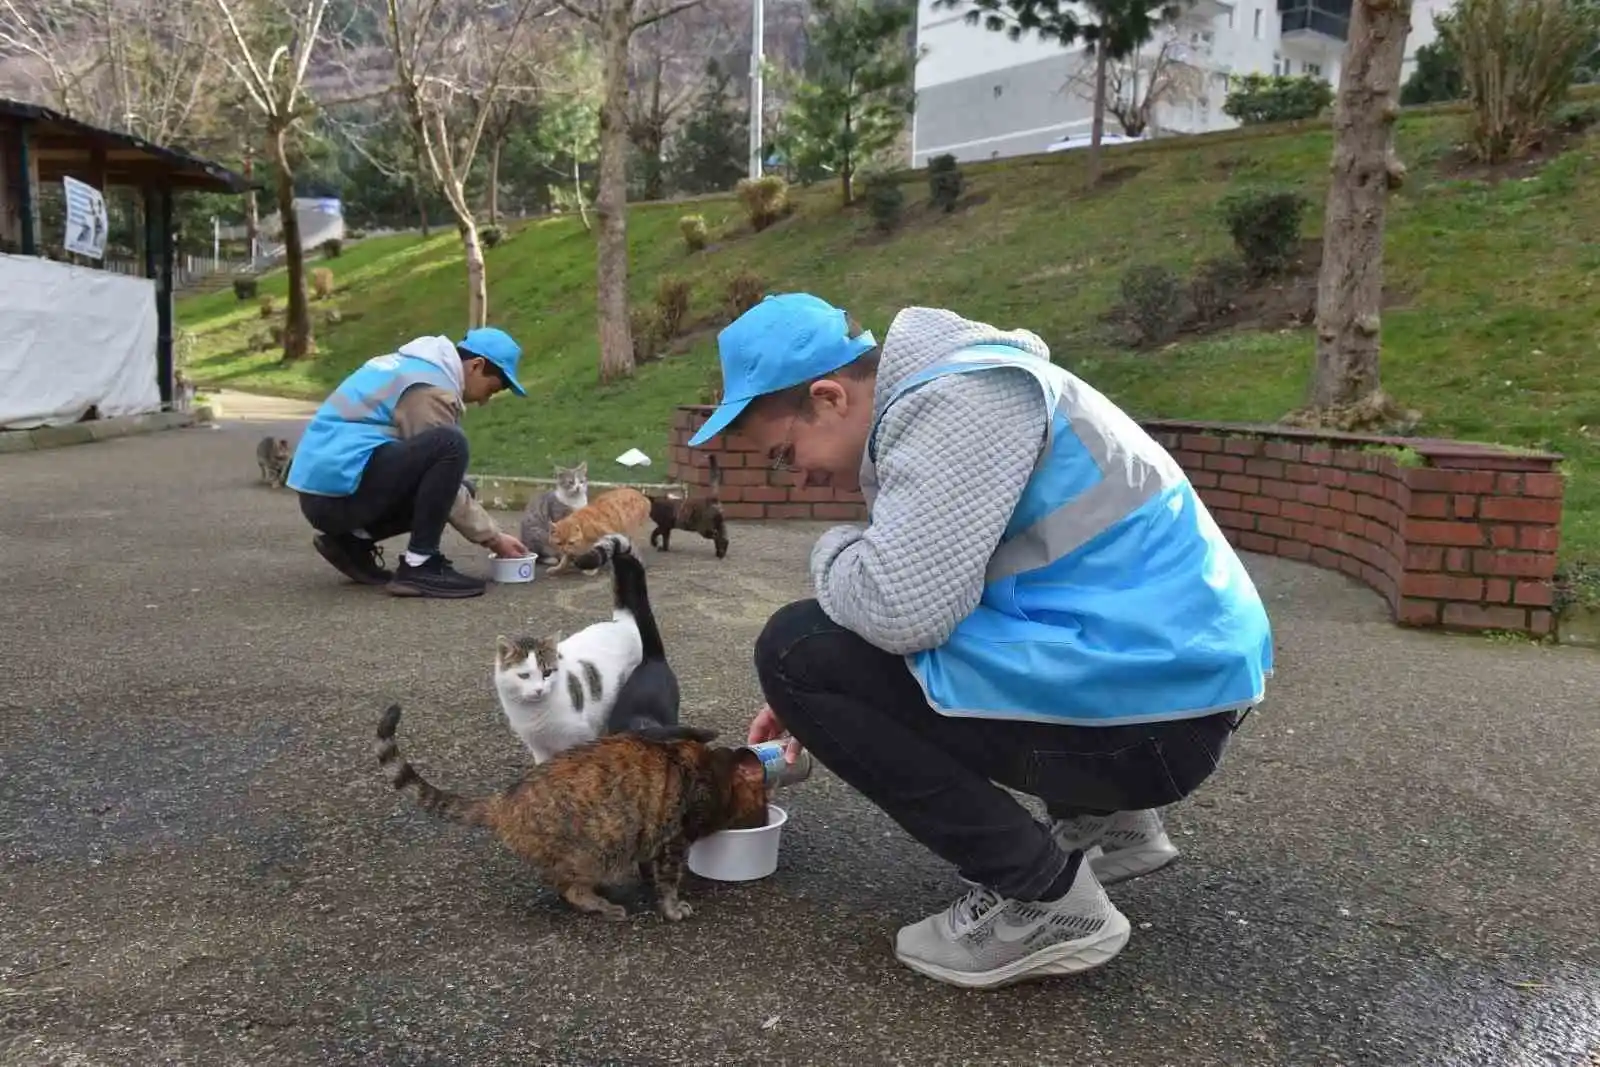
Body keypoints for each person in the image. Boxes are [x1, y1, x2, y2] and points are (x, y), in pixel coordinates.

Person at [688, 294, 1274, 990]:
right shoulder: (968, 385)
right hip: (1162, 697)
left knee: (794, 649)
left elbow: (902, 610)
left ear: (829, 395)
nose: (799, 474)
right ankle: (1106, 822)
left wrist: (835, 550)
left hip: (1152, 728)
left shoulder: (956, 405)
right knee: (843, 640)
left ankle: (1047, 899)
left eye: (786, 454)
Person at [288, 328, 531, 599]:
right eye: (492, 389)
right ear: (477, 365)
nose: (485, 401)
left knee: (460, 486)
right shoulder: (429, 389)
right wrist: (495, 538)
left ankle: (351, 542)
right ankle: (420, 564)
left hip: (326, 490)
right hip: (337, 493)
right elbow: (441, 463)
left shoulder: (414, 367)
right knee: (450, 444)